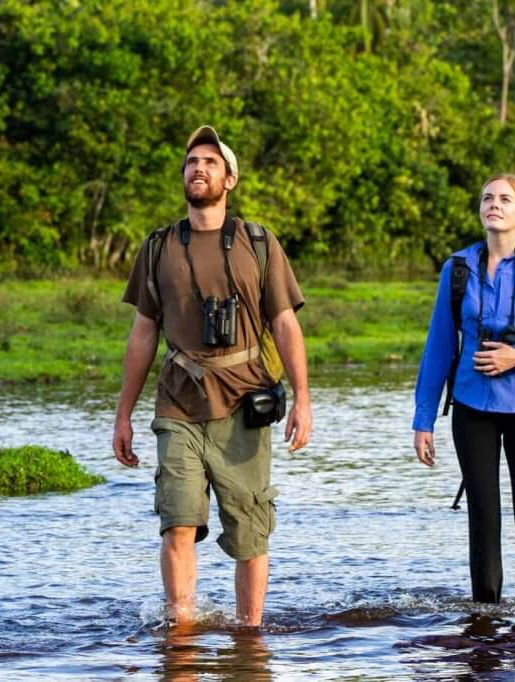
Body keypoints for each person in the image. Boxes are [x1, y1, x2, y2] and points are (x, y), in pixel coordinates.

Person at [113, 126, 311, 627]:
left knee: (250, 533)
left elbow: (285, 323)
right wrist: (123, 414)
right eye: (191, 162)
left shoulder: (258, 243)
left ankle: (250, 634)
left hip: (245, 405)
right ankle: (181, 635)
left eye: (210, 162)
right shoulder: (158, 247)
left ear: (230, 179)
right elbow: (143, 333)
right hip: (178, 404)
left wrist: (304, 400)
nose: (198, 169)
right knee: (177, 522)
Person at [412, 173, 515, 603]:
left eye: (505, 199)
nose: (494, 205)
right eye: (488, 198)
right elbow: (438, 348)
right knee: (483, 518)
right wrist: (423, 420)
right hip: (471, 409)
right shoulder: (457, 269)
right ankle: (485, 613)